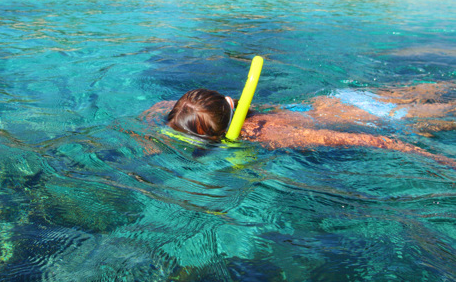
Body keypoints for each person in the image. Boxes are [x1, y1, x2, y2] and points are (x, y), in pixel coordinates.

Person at [146, 82, 456, 167]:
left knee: (444, 119)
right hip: (340, 99)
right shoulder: (176, 108)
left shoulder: (268, 133)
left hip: (373, 117)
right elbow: (167, 109)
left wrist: (435, 158)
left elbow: (364, 139)